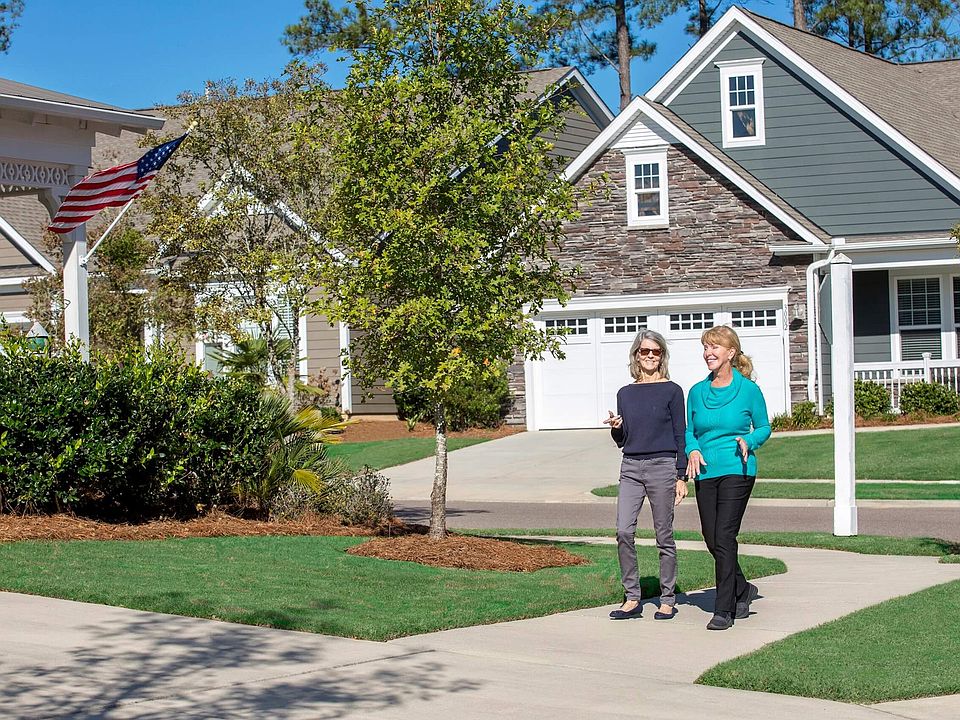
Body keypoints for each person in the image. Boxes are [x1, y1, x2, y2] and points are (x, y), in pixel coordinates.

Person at [685, 325, 771, 631]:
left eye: (714, 348)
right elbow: (689, 431)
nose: (708, 353)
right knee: (711, 538)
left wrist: (751, 441)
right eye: (706, 347)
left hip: (738, 467)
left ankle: (724, 609)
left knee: (724, 536)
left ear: (730, 353)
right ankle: (742, 587)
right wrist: (692, 450)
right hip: (705, 471)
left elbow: (764, 427)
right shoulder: (696, 392)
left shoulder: (749, 390)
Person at [604, 330, 688, 621]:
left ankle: (667, 599)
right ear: (636, 356)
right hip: (630, 467)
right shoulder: (625, 393)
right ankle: (632, 597)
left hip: (663, 466)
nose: (650, 356)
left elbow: (680, 433)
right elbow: (623, 438)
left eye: (656, 351)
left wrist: (681, 475)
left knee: (664, 535)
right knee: (623, 531)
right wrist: (616, 427)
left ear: (662, 356)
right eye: (644, 351)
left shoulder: (673, 391)